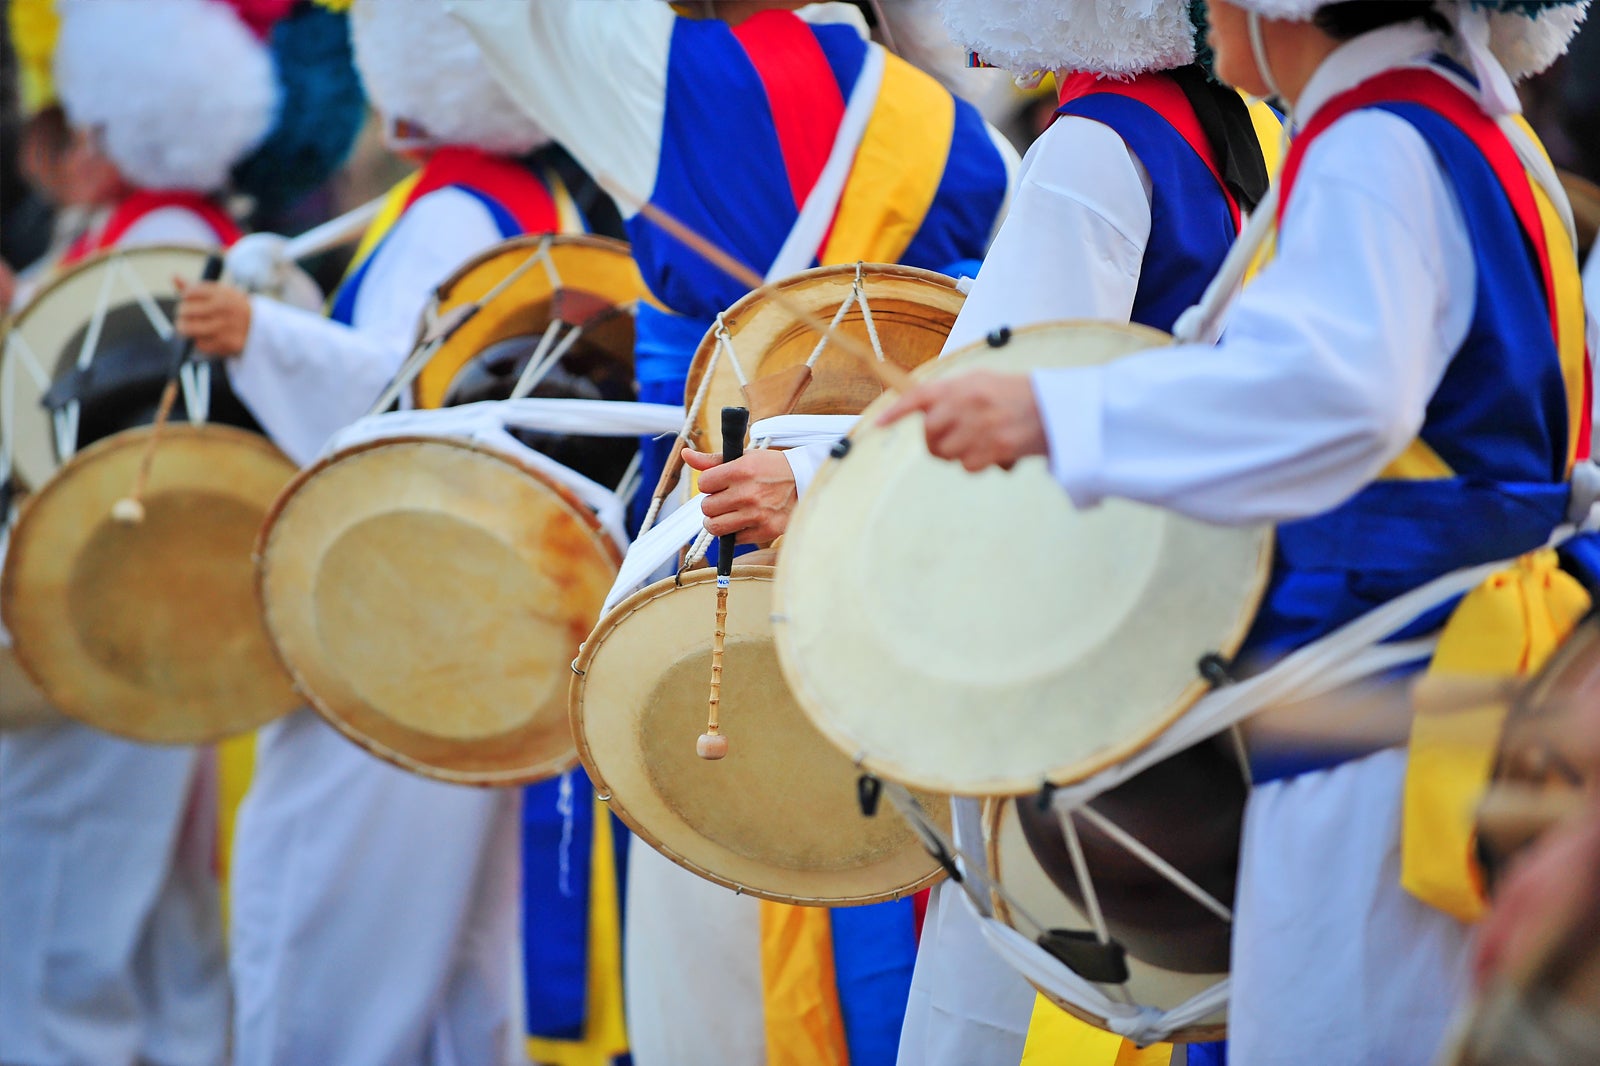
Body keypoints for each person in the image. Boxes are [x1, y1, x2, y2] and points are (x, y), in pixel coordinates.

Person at [879, 1, 1592, 1063]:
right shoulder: (1474, 126)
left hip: (1382, 708)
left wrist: (1054, 414)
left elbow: (1336, 395)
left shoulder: (1377, 138)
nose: (1205, 16)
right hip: (1468, 693)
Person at [447, 3, 1016, 1062]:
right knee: (900, 874)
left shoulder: (653, 70)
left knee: (714, 956)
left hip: (710, 554)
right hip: (906, 558)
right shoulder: (963, 132)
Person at [175, 1, 630, 1062]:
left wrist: (262, 334)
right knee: (457, 931)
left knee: (325, 908)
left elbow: (417, 408)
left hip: (399, 600)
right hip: (484, 609)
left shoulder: (451, 213)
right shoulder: (525, 197)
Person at [0, 2, 278, 1063]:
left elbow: (89, 438)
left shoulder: (160, 246)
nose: (74, 147)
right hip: (147, 606)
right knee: (157, 920)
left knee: (61, 913)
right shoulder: (176, 234)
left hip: (108, 599)